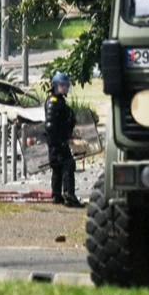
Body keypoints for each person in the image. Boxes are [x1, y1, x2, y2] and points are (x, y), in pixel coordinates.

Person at [45, 72, 84, 208]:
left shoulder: (59, 100)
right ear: (56, 86)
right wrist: (59, 141)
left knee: (58, 167)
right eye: (63, 85)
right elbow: (50, 125)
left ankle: (57, 196)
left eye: (67, 85)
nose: (66, 88)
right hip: (57, 142)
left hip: (59, 141)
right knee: (67, 165)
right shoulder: (53, 102)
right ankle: (69, 196)